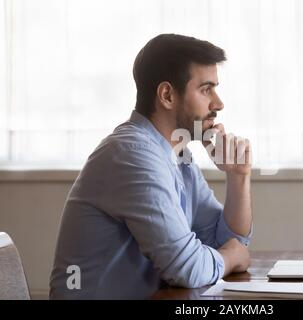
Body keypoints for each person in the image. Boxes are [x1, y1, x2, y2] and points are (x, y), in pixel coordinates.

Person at [49, 34, 253, 299]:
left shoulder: (178, 155)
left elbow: (226, 240)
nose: (218, 104)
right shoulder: (132, 155)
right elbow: (188, 267)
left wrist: (238, 176)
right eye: (206, 89)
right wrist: (232, 258)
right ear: (167, 95)